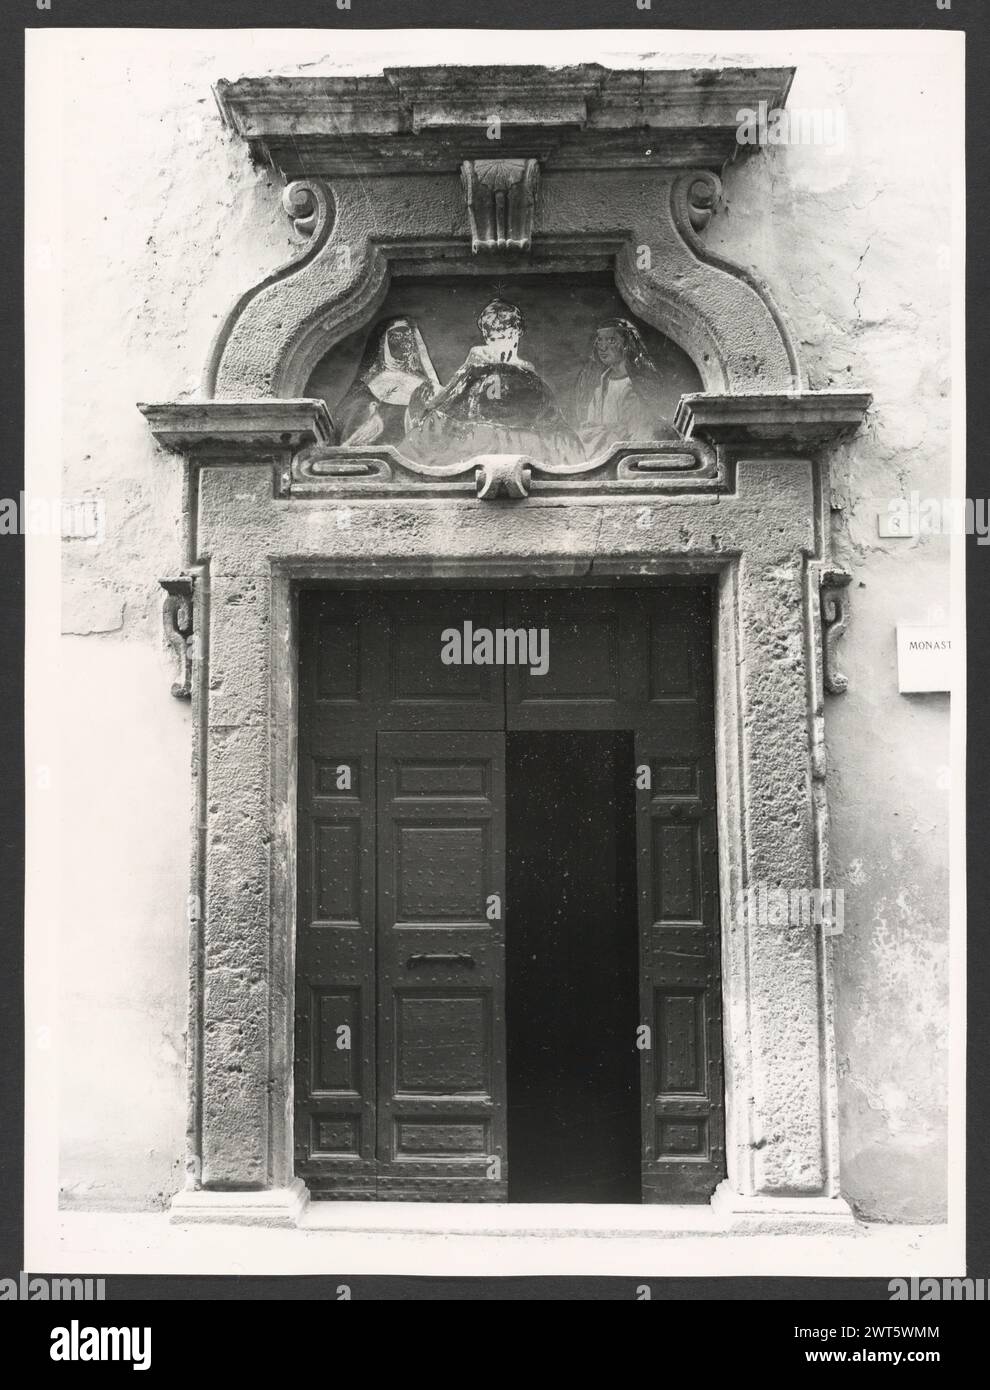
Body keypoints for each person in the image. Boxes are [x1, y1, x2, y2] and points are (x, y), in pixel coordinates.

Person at [404, 299, 582, 464]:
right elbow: (447, 402)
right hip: (478, 438)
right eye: (492, 339)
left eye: (505, 337)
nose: (498, 344)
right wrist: (468, 365)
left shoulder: (529, 374)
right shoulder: (477, 366)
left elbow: (549, 416)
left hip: (519, 440)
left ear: (517, 333)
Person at [574, 318, 677, 455]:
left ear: (626, 344)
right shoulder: (600, 383)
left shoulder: (639, 383)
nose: (603, 347)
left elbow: (643, 430)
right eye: (600, 340)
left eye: (611, 340)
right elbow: (590, 427)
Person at [335, 317, 440, 446]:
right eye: (395, 336)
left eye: (407, 336)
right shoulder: (367, 387)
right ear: (383, 344)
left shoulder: (430, 387)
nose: (403, 342)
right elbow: (348, 431)